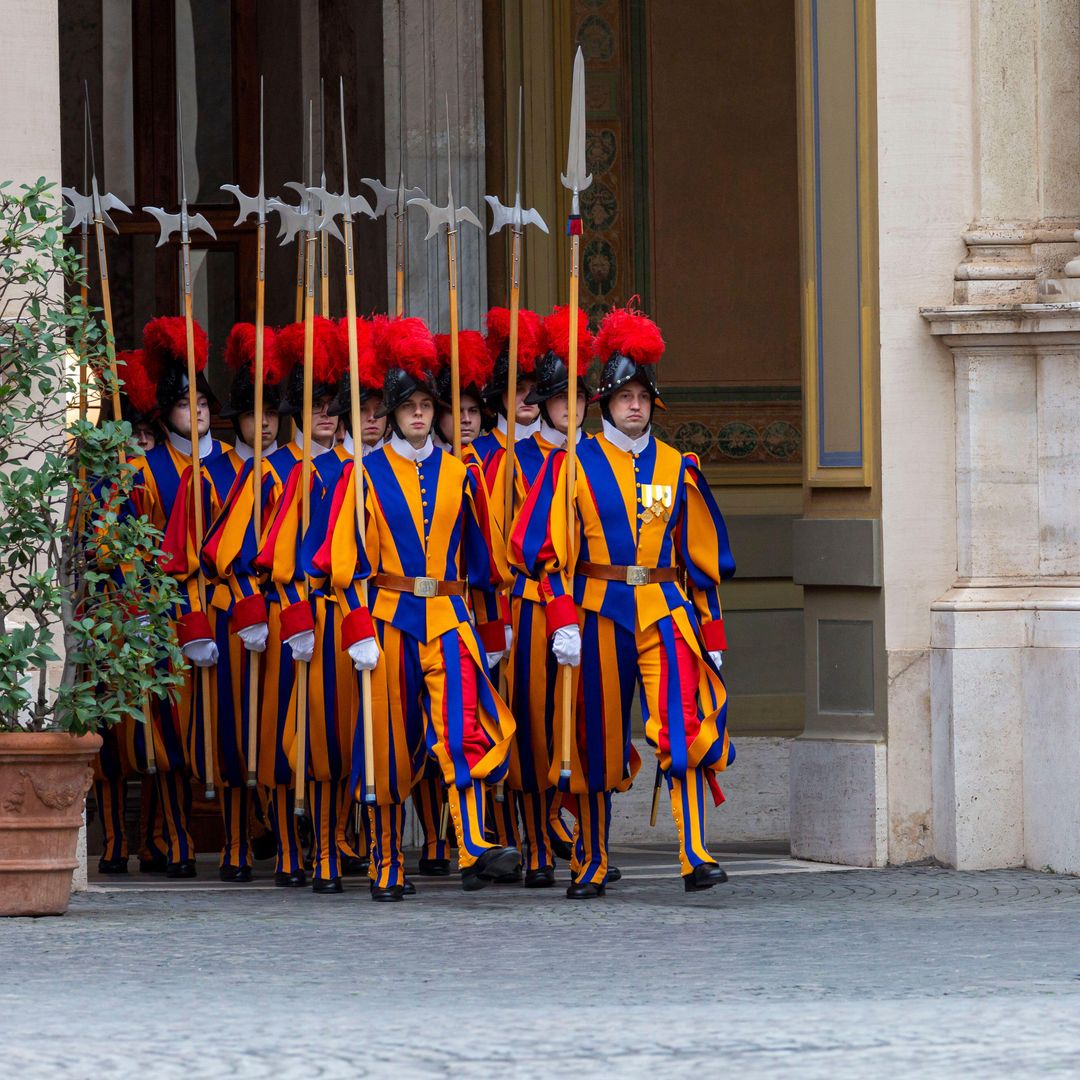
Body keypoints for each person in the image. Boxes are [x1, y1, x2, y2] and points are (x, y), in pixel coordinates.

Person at [511, 305, 736, 898]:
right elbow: (543, 552)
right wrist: (562, 620)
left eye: (642, 395)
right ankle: (590, 857)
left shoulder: (676, 465)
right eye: (623, 395)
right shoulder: (573, 464)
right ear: (604, 402)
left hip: (664, 607)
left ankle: (694, 852)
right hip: (597, 610)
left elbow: (701, 561)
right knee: (596, 737)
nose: (634, 405)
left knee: (682, 729)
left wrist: (712, 638)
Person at [314, 315, 520, 901]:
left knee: (462, 731)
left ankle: (473, 842)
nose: (420, 416)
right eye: (409, 407)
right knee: (389, 745)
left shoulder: (463, 472)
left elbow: (484, 560)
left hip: (450, 620)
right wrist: (357, 627)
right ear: (393, 414)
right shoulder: (363, 475)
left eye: (428, 405)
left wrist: (492, 626)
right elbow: (343, 561)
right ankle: (385, 859)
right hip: (388, 618)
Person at [165, 322, 286, 881]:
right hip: (219, 611)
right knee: (226, 732)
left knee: (273, 725)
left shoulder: (281, 474)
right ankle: (236, 840)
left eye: (269, 413)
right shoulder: (198, 476)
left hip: (272, 613)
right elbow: (179, 558)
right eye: (251, 413)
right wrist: (193, 624)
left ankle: (279, 835)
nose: (261, 422)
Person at [486, 307, 590, 886]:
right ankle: (535, 841)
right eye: (559, 399)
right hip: (528, 607)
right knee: (531, 724)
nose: (570, 408)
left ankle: (575, 831)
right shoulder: (508, 463)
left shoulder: (596, 458)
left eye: (578, 397)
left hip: (588, 604)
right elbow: (506, 550)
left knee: (582, 721)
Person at [126, 317, 230, 879]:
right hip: (167, 607)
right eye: (188, 404)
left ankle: (244, 831)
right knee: (167, 727)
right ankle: (172, 834)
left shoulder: (239, 467)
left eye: (205, 403)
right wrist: (138, 607)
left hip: (228, 606)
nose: (200, 412)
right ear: (166, 412)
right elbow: (125, 547)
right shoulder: (141, 471)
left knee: (228, 721)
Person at [91, 349, 169, 875]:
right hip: (96, 616)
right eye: (128, 435)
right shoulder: (92, 481)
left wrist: (142, 605)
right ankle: (116, 839)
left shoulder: (147, 480)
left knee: (156, 735)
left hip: (142, 613)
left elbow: (151, 547)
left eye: (144, 435)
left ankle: (156, 839)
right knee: (107, 739)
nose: (137, 445)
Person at [470, 307, 544, 465]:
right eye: (518, 389)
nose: (527, 398)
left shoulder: (561, 451)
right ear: (500, 394)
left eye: (533, 389)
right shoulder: (476, 454)